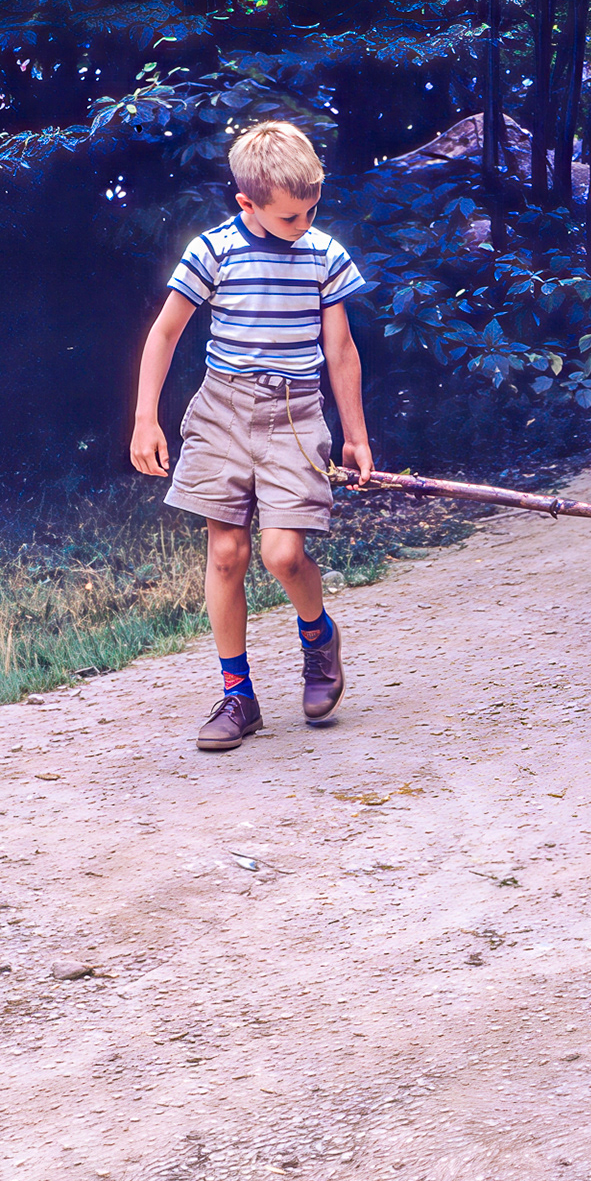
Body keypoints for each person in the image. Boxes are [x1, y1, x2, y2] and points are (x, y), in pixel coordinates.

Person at [129, 120, 374, 752]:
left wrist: (356, 435)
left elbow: (340, 349)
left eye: (313, 209)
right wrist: (145, 418)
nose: (306, 223)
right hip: (222, 411)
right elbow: (164, 334)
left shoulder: (324, 254)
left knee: (283, 555)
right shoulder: (213, 251)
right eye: (293, 215)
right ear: (247, 203)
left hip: (295, 415)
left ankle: (318, 641)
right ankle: (238, 695)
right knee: (228, 554)